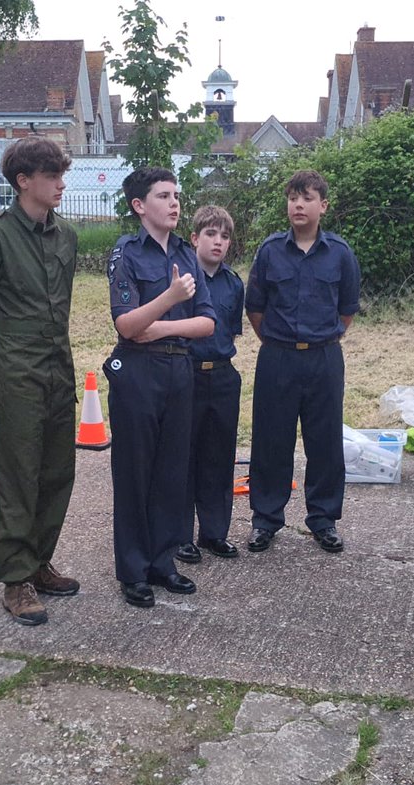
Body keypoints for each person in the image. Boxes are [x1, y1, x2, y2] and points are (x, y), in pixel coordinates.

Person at [0, 136, 80, 627]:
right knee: (16, 476)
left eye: (61, 175)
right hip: (14, 371)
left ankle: (40, 561)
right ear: (24, 181)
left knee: (55, 471)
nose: (61, 184)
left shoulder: (65, 236)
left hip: (57, 368)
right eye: (52, 176)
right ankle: (15, 580)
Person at [103, 167, 215, 608]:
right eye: (163, 196)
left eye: (176, 195)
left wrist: (159, 325)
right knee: (135, 472)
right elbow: (127, 326)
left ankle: (163, 561)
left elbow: (207, 322)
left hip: (178, 371)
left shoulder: (187, 255)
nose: (174, 203)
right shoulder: (126, 253)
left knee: (172, 470)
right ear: (139, 206)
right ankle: (133, 570)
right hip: (138, 373)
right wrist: (168, 298)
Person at [244, 170, 360, 555]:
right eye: (293, 197)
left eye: (307, 198)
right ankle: (265, 519)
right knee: (270, 440)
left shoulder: (340, 253)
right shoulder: (270, 250)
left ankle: (323, 520)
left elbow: (347, 310)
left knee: (324, 442)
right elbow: (255, 308)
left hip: (324, 357)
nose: (298, 204)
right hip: (277, 357)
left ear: (322, 206)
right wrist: (282, 343)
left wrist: (318, 339)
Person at [175, 205, 246, 564]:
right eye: (211, 234)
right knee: (184, 454)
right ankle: (179, 535)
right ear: (194, 239)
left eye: (224, 236)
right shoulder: (182, 281)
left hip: (221, 375)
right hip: (186, 373)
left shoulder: (234, 283)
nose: (218, 242)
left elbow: (231, 329)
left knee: (219, 456)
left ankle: (214, 532)